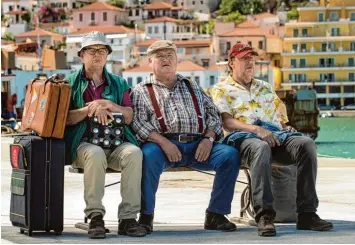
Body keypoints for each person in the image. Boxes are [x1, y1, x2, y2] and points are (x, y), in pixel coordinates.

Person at [209, 43, 333, 237]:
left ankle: (307, 214)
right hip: (243, 138)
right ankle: (265, 215)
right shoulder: (221, 89)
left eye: (252, 58)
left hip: (275, 135)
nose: (250, 62)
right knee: (260, 147)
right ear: (232, 63)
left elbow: (280, 118)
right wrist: (256, 130)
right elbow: (226, 121)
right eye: (244, 59)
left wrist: (285, 128)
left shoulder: (265, 87)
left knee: (306, 145)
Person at [131, 40, 240, 234]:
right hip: (162, 146)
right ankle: (146, 216)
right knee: (147, 157)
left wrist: (209, 138)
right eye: (160, 56)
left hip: (198, 144)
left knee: (229, 155)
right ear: (150, 61)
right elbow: (138, 122)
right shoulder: (140, 90)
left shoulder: (191, 85)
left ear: (176, 60)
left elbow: (212, 113)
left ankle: (216, 214)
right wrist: (164, 143)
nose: (166, 59)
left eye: (170, 55)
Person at [64, 31, 147, 239]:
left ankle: (128, 219)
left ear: (107, 55)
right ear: (81, 55)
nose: (97, 55)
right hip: (83, 145)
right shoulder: (69, 83)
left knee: (134, 153)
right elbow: (63, 118)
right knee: (95, 154)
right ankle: (95, 217)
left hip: (116, 144)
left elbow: (128, 115)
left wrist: (109, 104)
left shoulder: (119, 83)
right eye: (91, 51)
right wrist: (89, 109)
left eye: (101, 50)